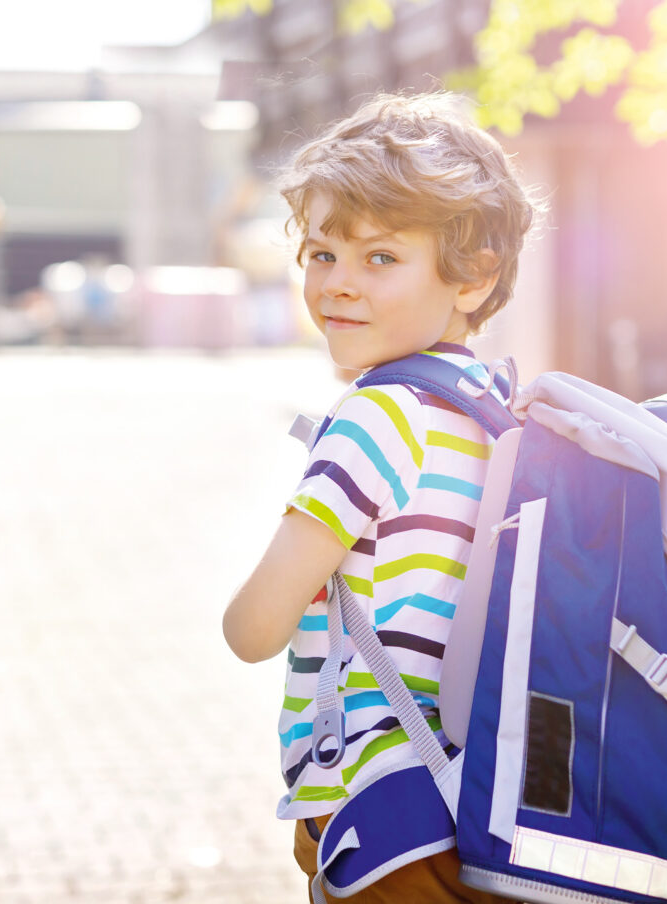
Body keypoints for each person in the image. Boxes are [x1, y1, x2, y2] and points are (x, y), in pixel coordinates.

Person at [222, 91, 539, 903]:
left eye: (380, 258)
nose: (339, 286)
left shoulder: (377, 415)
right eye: (323, 255)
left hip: (379, 808)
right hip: (467, 799)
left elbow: (255, 628)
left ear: (473, 278)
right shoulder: (494, 411)